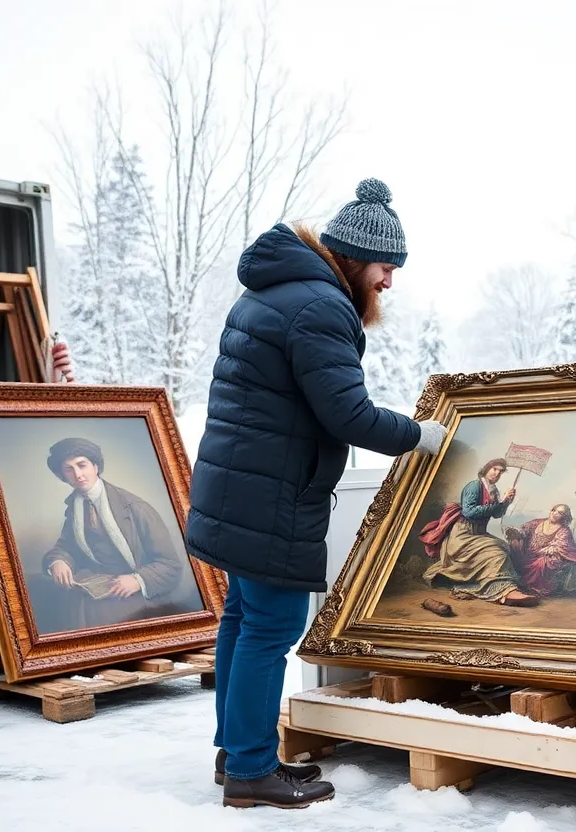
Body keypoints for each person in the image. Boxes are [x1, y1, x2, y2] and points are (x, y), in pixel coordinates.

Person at [184, 178, 448, 810]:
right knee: (272, 626)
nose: (389, 282)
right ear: (355, 259)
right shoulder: (320, 306)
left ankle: (237, 751)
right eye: (386, 268)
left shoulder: (274, 292)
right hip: (272, 492)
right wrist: (420, 434)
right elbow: (348, 415)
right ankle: (250, 770)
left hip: (239, 485)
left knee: (243, 618)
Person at [37, 437, 198, 632]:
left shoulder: (135, 508)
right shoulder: (75, 506)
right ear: (62, 475)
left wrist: (137, 580)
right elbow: (66, 546)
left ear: (96, 466)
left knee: (102, 618)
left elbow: (170, 565)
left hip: (133, 595)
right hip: (96, 588)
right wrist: (58, 561)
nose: (78, 474)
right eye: (69, 469)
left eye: (82, 465)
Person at [417, 458, 538, 606]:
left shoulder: (493, 490)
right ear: (486, 469)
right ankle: (504, 592)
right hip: (463, 535)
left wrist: (506, 502)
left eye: (500, 471)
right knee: (496, 553)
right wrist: (499, 503)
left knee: (504, 546)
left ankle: (506, 586)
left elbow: (497, 514)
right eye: (494, 469)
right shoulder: (474, 486)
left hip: (478, 534)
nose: (497, 473)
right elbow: (469, 512)